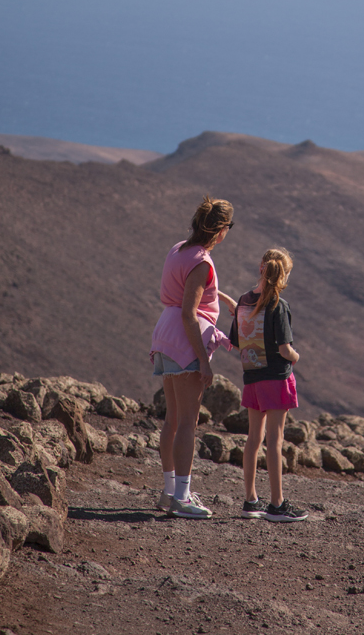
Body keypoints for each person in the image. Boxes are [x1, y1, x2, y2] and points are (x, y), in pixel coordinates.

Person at [150, 195, 236, 519]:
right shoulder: (203, 262)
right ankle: (182, 499)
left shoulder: (180, 249)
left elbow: (184, 291)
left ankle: (169, 491)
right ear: (220, 230)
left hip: (164, 334)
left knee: (172, 420)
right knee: (188, 422)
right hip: (185, 341)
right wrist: (202, 359)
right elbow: (190, 312)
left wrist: (221, 295)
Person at [229, 247, 308, 522]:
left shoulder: (243, 301)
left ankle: (250, 500)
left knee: (254, 439)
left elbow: (237, 342)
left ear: (261, 266)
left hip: (252, 377)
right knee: (275, 441)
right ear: (283, 274)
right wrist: (297, 357)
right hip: (276, 378)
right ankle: (277, 504)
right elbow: (285, 349)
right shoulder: (278, 305)